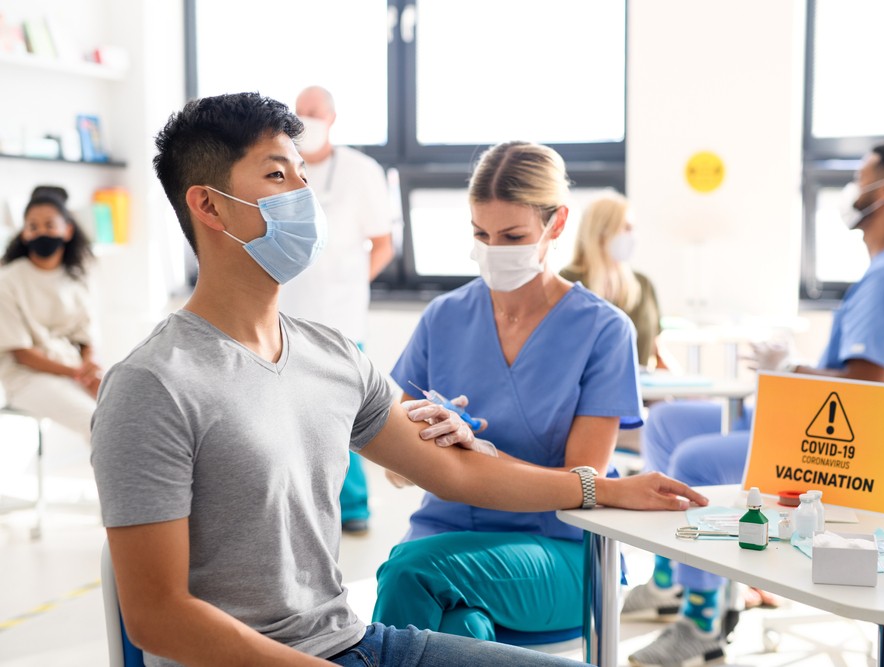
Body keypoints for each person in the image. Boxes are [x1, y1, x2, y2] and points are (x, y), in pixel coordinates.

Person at [90, 92, 710, 667]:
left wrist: (599, 489)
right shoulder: (153, 385)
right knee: (426, 581)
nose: (304, 194)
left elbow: (455, 469)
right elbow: (156, 617)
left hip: (356, 641)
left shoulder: (332, 356)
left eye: (304, 175)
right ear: (208, 205)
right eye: (278, 175)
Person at [625, 141, 884, 667]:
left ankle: (703, 619)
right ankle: (671, 581)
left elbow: (867, 383)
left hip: (847, 449)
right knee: (667, 422)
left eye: (860, 179)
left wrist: (790, 369)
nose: (851, 192)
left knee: (693, 461)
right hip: (817, 424)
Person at [371, 142, 648, 642]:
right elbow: (395, 471)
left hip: (555, 551)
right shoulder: (444, 318)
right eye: (481, 233)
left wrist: (479, 453)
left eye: (513, 235)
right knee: (461, 632)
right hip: (446, 541)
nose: (494, 249)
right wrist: (430, 441)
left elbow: (581, 484)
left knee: (410, 572)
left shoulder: (604, 331)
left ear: (556, 224)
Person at [280, 84, 395, 535]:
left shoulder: (361, 171)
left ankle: (353, 508)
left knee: (343, 412)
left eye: (314, 111)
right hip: (287, 309)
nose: (306, 118)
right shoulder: (282, 167)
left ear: (332, 118)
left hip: (342, 313)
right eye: (300, 111)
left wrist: (347, 284)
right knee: (290, 412)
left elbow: (383, 243)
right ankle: (299, 508)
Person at [0, 187, 101, 443]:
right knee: (96, 422)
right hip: (26, 378)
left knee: (128, 412)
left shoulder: (75, 279)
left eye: (49, 224)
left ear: (67, 230)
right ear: (24, 233)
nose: (41, 232)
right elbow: (22, 354)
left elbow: (85, 338)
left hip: (71, 370)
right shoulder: (9, 280)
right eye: (33, 226)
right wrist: (77, 373)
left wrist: (90, 369)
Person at [560, 191, 671, 371]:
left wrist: (687, 386)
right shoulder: (567, 282)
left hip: (641, 392)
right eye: (625, 228)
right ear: (601, 230)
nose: (632, 236)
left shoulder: (643, 285)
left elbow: (657, 352)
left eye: (632, 228)